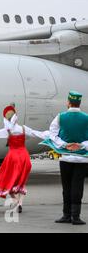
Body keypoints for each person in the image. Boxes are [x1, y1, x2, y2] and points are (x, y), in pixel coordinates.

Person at [0, 105, 49, 213]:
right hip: (24, 157)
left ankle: (16, 202)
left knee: (10, 181)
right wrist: (52, 135)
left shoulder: (7, 131)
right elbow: (37, 133)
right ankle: (20, 203)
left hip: (13, 157)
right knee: (21, 182)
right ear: (15, 116)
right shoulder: (23, 128)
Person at [45, 91, 88, 225]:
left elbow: (52, 134)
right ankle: (76, 217)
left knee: (67, 187)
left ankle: (66, 215)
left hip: (66, 158)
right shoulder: (86, 117)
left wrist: (64, 144)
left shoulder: (61, 116)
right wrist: (81, 145)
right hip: (82, 159)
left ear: (68, 103)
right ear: (79, 103)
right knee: (78, 187)